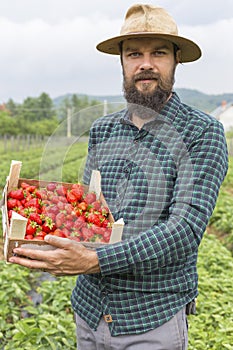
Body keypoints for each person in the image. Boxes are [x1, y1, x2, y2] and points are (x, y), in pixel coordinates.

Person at [9, 4, 228, 350]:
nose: (145, 63)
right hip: (90, 311)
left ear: (176, 60)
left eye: (158, 52)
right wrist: (36, 238)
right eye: (134, 53)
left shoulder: (201, 133)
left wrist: (94, 261)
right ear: (122, 62)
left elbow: (184, 231)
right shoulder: (102, 129)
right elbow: (86, 213)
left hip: (150, 317)